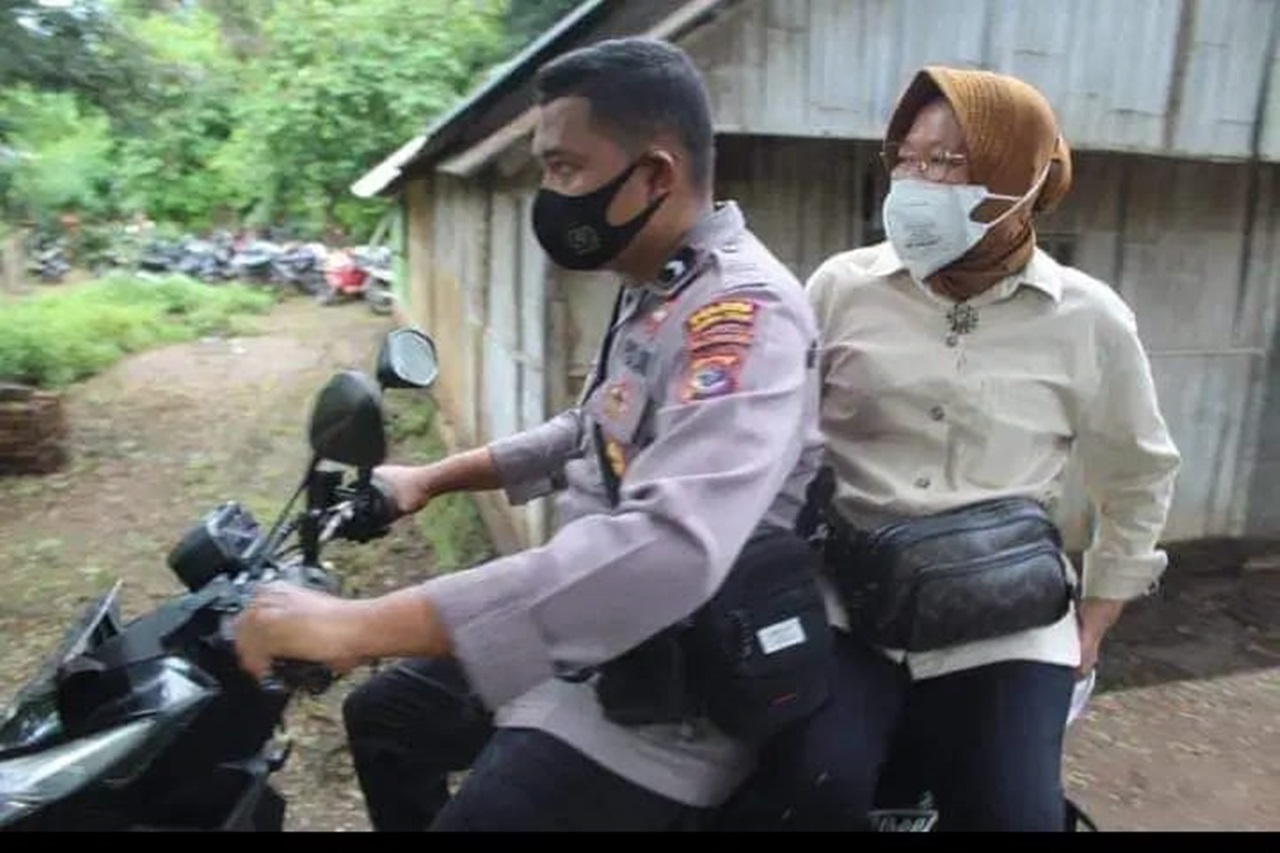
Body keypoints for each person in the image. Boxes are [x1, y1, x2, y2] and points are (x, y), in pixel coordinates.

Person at [230, 36, 827, 832]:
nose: (549, 194)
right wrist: (430, 478)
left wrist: (359, 623)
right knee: (386, 719)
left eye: (565, 169)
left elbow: (668, 548)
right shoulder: (656, 285)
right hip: (593, 636)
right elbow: (591, 430)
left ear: (654, 175)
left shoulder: (743, 314)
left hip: (673, 686)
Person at [741, 66, 1183, 832]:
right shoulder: (841, 287)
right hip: (849, 603)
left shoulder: (1090, 318)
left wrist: (1094, 624)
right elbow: (773, 436)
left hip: (1007, 617)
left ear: (1019, 177)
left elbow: (1139, 474)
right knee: (808, 791)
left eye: (947, 162)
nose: (917, 181)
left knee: (1015, 817)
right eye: (907, 158)